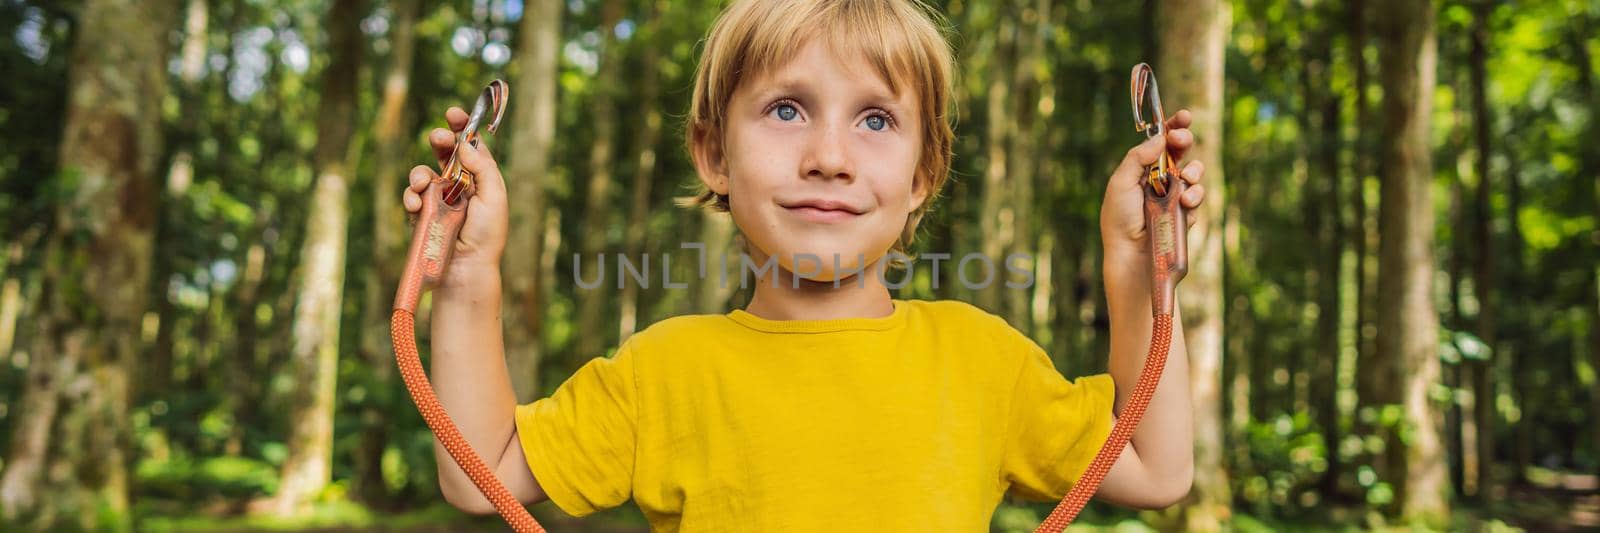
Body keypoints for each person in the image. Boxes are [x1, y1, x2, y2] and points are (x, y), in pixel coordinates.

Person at [402, 0, 1205, 529]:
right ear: (715, 153)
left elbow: (1154, 468)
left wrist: (1138, 261)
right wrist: (470, 276)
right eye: (787, 110)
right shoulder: (663, 372)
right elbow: (482, 474)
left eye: (877, 119)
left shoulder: (982, 360)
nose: (829, 156)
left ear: (924, 173)